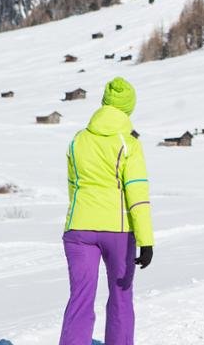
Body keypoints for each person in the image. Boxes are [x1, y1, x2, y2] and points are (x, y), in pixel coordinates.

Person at [60, 77, 154, 345]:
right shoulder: (130, 144)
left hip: (78, 228)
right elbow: (137, 195)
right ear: (129, 108)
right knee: (121, 298)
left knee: (80, 297)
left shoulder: (78, 140)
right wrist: (146, 241)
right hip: (119, 232)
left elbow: (73, 186)